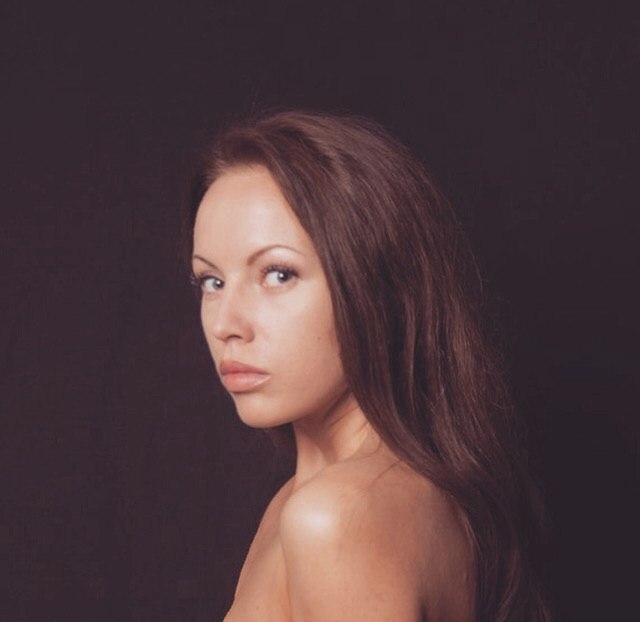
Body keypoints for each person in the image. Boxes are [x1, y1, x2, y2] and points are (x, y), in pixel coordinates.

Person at [186, 110, 549, 621]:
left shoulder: (335, 517)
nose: (227, 323)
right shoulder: (324, 498)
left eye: (278, 274)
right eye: (212, 281)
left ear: (376, 284)